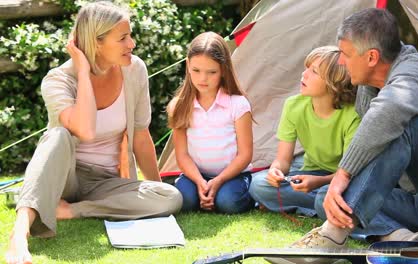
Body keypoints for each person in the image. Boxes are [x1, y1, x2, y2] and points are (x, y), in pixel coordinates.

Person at [270, 7, 418, 264]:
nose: (340, 62)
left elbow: (386, 115)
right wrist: (339, 187)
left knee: (403, 126)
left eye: (345, 54)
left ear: (372, 57)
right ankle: (406, 239)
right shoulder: (369, 86)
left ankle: (331, 238)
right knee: (332, 201)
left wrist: (343, 174)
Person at [5, 2, 182, 264]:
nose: (131, 44)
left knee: (170, 197)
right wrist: (84, 74)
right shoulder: (58, 80)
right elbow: (85, 130)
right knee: (57, 136)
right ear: (96, 42)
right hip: (67, 176)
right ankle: (19, 235)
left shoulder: (134, 70)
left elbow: (141, 134)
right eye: (123, 38)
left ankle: (72, 211)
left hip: (105, 183)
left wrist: (154, 186)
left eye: (129, 35)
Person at [249, 46, 360, 217]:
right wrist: (275, 170)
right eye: (306, 68)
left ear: (333, 83)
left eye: (314, 71)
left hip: (342, 179)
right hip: (310, 172)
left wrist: (320, 182)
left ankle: (312, 204)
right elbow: (283, 160)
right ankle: (318, 205)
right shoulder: (293, 105)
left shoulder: (352, 115)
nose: (304, 74)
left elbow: (350, 173)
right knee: (258, 185)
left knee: (331, 194)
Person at [167, 32, 255, 214]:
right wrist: (200, 181)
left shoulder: (238, 104)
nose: (203, 79)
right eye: (196, 70)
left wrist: (218, 181)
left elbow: (245, 155)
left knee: (227, 202)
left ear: (223, 70)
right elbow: (182, 155)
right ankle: (205, 193)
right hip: (195, 175)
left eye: (211, 72)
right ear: (187, 66)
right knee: (183, 199)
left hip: (233, 176)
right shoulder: (179, 106)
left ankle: (247, 196)